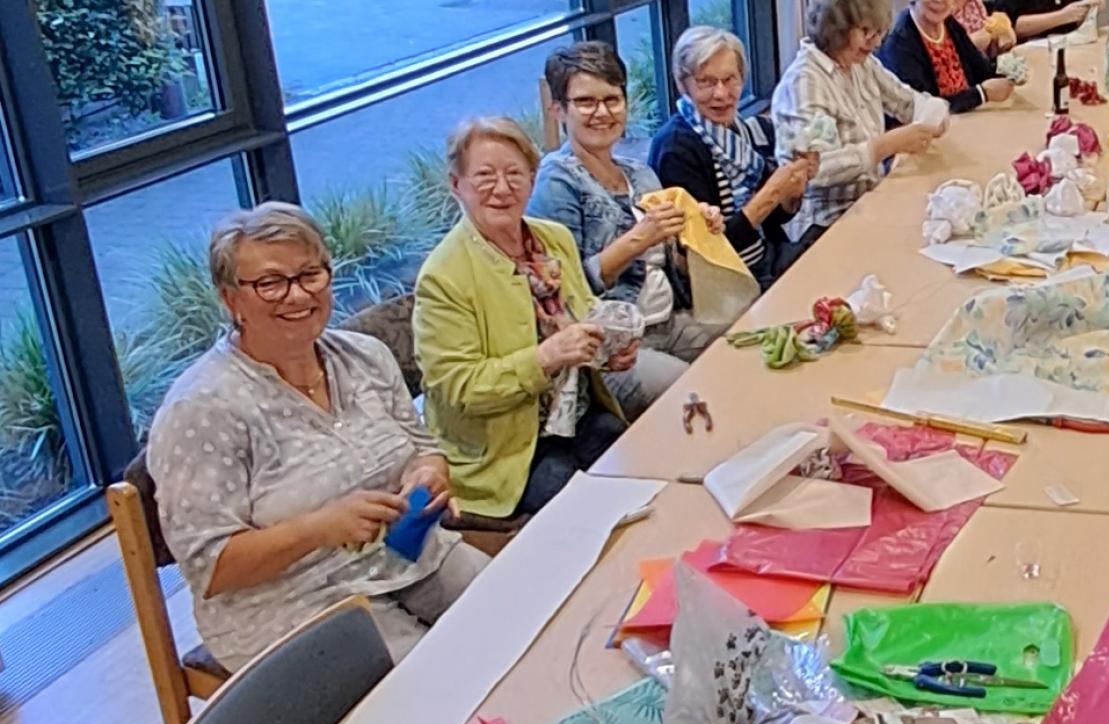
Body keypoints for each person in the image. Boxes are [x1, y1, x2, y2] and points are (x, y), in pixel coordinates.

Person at [149, 203, 488, 669]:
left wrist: (428, 474)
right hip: (294, 603)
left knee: (526, 612)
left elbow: (424, 449)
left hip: (406, 557)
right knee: (436, 681)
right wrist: (318, 528)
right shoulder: (202, 409)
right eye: (270, 283)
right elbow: (210, 565)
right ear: (230, 299)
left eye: (310, 274)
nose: (297, 295)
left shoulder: (365, 356)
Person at [413, 117, 652, 520]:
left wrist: (606, 352)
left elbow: (583, 318)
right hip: (509, 452)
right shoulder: (444, 276)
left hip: (577, 412)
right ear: (457, 185)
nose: (502, 189)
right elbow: (460, 389)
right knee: (586, 514)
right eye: (485, 177)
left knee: (644, 473)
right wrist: (545, 358)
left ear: (533, 177)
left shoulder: (553, 239)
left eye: (514, 174)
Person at [529, 42, 726, 364]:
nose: (603, 113)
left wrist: (697, 231)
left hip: (670, 320)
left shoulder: (640, 173)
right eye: (585, 102)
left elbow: (672, 265)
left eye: (612, 100)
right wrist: (639, 238)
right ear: (558, 111)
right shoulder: (558, 180)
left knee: (749, 333)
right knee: (681, 386)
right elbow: (562, 290)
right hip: (612, 344)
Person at [650, 27, 818, 287]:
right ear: (683, 84)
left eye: (730, 80)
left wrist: (792, 191)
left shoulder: (743, 130)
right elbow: (707, 251)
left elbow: (776, 220)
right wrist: (770, 194)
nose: (721, 94)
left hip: (768, 260)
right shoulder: (676, 148)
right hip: (729, 283)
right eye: (706, 82)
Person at [773, 0, 949, 245]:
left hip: (870, 204)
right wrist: (884, 147)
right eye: (866, 32)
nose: (876, 43)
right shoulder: (805, 83)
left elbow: (908, 102)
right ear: (837, 28)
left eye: (879, 33)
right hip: (825, 227)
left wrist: (933, 115)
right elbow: (813, 172)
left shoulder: (862, 65)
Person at [879, 0, 1016, 115]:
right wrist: (981, 94)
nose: (939, 1)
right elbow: (924, 108)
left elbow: (980, 70)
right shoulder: (900, 42)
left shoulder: (949, 24)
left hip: (969, 119)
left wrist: (1010, 69)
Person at [987, 0, 1098, 42]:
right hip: (1029, 51)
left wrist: (1091, 6)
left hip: (1069, 46)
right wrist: (1063, 16)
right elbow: (1012, 27)